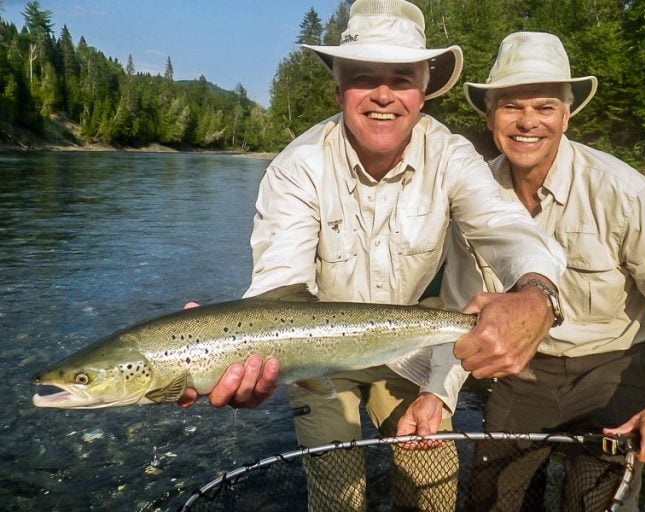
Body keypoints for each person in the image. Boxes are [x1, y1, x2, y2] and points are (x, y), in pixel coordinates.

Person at [180, 4, 565, 511]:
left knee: (432, 485)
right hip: (315, 354)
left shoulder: (450, 156)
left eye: (401, 79)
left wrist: (536, 293)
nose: (384, 95)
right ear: (339, 90)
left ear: (423, 91)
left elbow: (508, 228)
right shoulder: (298, 168)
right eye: (364, 78)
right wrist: (237, 343)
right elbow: (278, 282)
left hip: (412, 341)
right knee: (337, 492)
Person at [444, 31, 645, 510]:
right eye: (511, 106)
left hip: (614, 370)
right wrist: (439, 395)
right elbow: (457, 307)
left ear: (567, 115)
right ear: (489, 117)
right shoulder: (472, 196)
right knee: (493, 499)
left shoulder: (623, 192)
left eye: (544, 107)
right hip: (523, 374)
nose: (528, 122)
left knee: (592, 501)